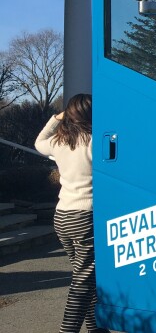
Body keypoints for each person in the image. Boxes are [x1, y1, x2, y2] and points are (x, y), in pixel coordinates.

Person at [34, 94, 108, 333]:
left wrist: (57, 117)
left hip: (63, 217)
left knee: (85, 277)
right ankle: (68, 330)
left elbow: (38, 142)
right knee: (83, 281)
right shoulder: (98, 141)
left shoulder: (59, 141)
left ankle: (96, 327)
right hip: (86, 217)